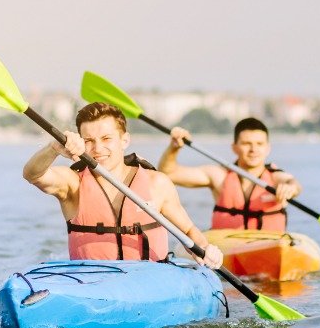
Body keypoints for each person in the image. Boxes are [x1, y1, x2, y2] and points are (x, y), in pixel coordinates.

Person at [24, 102, 223, 268]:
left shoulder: (157, 183)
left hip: (150, 280)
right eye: (89, 141)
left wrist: (205, 249)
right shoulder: (72, 183)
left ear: (124, 140)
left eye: (106, 138)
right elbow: (33, 174)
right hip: (93, 284)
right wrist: (54, 148)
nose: (98, 148)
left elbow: (188, 232)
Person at [159, 117, 301, 231]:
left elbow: (293, 184)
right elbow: (168, 173)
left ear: (268, 148)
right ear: (234, 148)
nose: (253, 149)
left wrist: (290, 188)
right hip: (229, 247)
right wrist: (174, 148)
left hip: (270, 245)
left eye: (259, 144)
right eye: (246, 143)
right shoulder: (219, 176)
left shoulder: (276, 177)